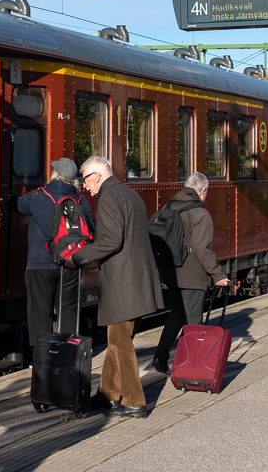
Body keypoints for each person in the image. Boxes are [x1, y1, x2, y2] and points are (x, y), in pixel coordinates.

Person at [68, 156, 163, 418]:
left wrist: (79, 256)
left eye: (85, 180)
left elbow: (111, 241)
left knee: (121, 344)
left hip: (123, 284)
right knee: (117, 341)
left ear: (96, 177)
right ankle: (108, 395)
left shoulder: (109, 198)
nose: (85, 187)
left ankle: (134, 400)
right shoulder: (130, 194)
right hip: (138, 281)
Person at [150, 172, 229, 374]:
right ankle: (192, 367)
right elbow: (201, 250)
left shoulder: (169, 206)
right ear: (202, 192)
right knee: (194, 322)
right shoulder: (200, 214)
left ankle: (160, 356)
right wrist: (218, 275)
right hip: (192, 276)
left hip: (171, 273)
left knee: (176, 314)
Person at [17, 158, 94, 343]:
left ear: (55, 175)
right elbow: (90, 226)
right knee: (68, 310)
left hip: (39, 264)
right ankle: (67, 356)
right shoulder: (80, 199)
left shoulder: (37, 196)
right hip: (70, 263)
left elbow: (19, 205)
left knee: (39, 312)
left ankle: (41, 358)